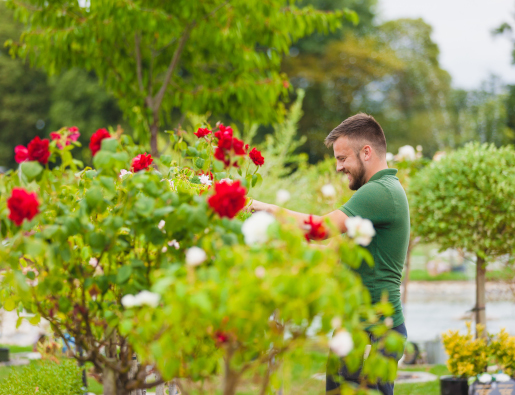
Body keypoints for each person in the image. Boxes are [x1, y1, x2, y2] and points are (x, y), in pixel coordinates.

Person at [249, 113, 409, 395]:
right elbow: (336, 254)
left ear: (367, 152)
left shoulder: (379, 192)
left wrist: (261, 207)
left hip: (374, 332)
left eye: (342, 158)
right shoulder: (384, 191)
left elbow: (320, 229)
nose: (338, 167)